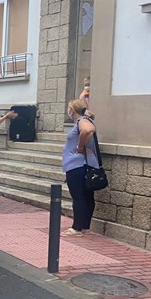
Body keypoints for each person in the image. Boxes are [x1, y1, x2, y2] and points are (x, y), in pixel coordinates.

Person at [62, 99, 99, 237]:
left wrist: (80, 146)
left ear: (72, 110)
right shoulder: (86, 119)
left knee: (78, 196)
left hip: (77, 165)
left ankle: (76, 228)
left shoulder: (82, 121)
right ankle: (85, 226)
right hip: (85, 164)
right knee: (87, 196)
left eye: (69, 109)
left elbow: (88, 130)